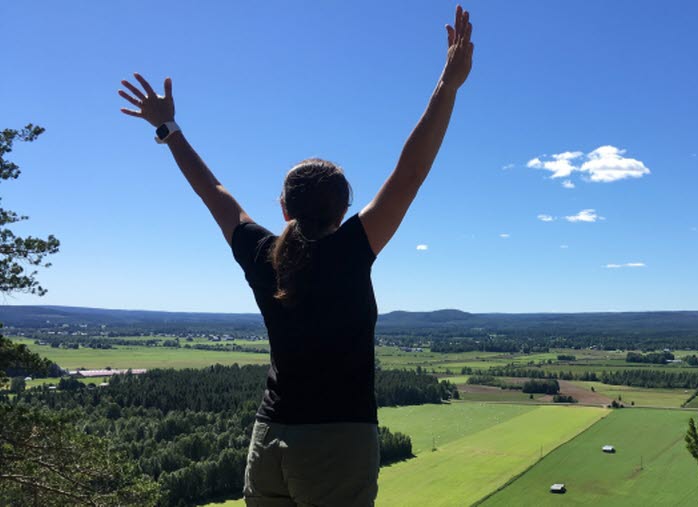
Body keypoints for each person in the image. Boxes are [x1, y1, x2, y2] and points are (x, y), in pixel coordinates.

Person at [117, 5, 474, 505]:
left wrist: (168, 128)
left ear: (283, 207)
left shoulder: (262, 253)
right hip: (337, 444)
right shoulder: (352, 249)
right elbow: (410, 172)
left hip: (269, 442)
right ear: (345, 209)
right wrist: (448, 84)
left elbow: (211, 190)